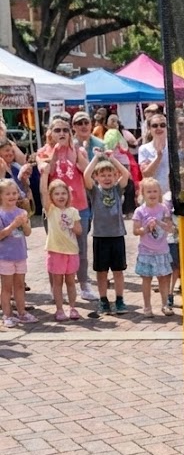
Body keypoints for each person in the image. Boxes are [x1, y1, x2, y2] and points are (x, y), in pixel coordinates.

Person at [37, 114, 97, 301]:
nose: (62, 133)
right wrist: (56, 150)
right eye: (57, 130)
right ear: (50, 133)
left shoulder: (78, 150)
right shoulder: (43, 152)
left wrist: (74, 152)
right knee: (55, 247)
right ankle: (55, 287)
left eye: (65, 130)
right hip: (54, 209)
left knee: (81, 247)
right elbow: (49, 171)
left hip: (79, 205)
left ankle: (84, 284)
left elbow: (88, 173)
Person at [84, 152, 131, 315]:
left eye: (110, 175)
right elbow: (86, 175)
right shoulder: (95, 192)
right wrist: (96, 158)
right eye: (102, 175)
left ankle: (119, 299)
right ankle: (103, 299)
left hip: (117, 235)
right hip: (100, 237)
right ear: (97, 177)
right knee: (101, 271)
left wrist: (112, 159)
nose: (106, 178)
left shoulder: (117, 190)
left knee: (118, 271)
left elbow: (126, 174)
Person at [133, 178, 175, 317]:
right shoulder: (140, 210)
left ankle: (165, 304)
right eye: (149, 191)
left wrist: (159, 222)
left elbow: (170, 229)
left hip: (162, 250)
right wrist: (145, 228)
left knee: (163, 278)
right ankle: (147, 307)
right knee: (146, 279)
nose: (152, 194)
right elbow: (136, 231)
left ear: (159, 193)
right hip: (146, 251)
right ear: (143, 193)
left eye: (155, 191)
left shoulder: (164, 208)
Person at [43, 179, 82, 320]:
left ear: (68, 195)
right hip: (55, 251)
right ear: (51, 197)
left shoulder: (73, 211)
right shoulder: (51, 210)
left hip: (71, 251)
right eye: (57, 194)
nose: (61, 196)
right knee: (57, 282)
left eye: (64, 193)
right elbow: (43, 192)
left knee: (71, 281)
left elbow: (79, 230)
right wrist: (44, 173)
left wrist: (71, 224)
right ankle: (59, 310)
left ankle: (73, 307)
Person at [0, 177, 35, 328]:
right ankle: (7, 314)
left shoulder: (21, 212)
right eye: (8, 194)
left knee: (20, 285)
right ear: (1, 195)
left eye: (14, 193)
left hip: (20, 255)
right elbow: (1, 234)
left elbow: (27, 233)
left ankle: (22, 312)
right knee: (7, 287)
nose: (12, 196)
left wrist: (24, 223)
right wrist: (14, 224)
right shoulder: (1, 214)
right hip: (5, 257)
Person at [138, 113, 171, 193]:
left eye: (163, 125)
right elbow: (146, 175)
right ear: (149, 128)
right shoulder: (144, 149)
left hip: (172, 194)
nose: (159, 128)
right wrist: (158, 157)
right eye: (155, 125)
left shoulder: (173, 147)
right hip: (153, 195)